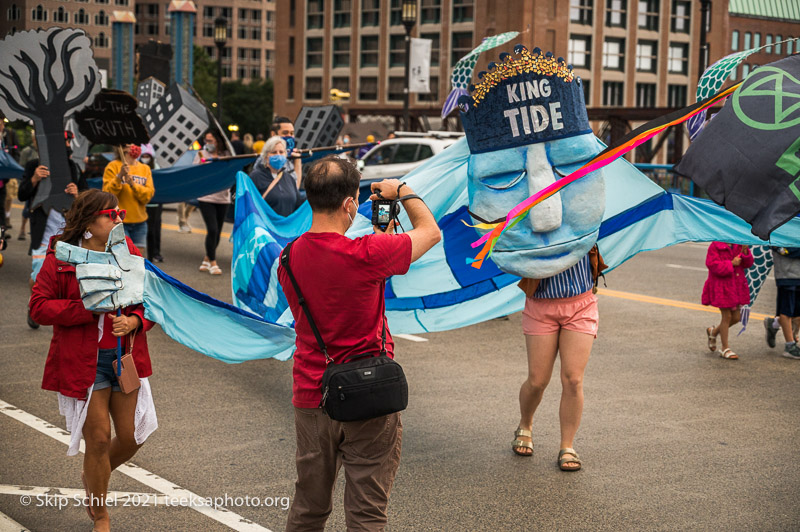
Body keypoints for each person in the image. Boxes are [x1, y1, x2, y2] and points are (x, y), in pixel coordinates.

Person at [277, 158, 440, 530]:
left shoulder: (288, 258)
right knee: (367, 511)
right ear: (351, 204)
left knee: (308, 507)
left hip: (311, 396)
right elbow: (430, 231)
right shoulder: (367, 253)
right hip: (369, 395)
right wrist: (402, 191)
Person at [29, 189, 157, 532]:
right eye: (110, 215)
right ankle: (101, 513)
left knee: (129, 438)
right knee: (99, 440)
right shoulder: (60, 258)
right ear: (87, 223)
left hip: (124, 357)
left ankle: (93, 476)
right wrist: (83, 309)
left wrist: (134, 322)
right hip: (83, 362)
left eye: (119, 214)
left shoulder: (128, 252)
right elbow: (38, 307)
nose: (117, 219)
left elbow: (152, 302)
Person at [511, 252, 600, 471]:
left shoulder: (585, 218)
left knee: (573, 379)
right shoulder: (529, 218)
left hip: (581, 304)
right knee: (537, 380)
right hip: (540, 305)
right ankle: (525, 423)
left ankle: (567, 446)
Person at [18, 130, 87, 329]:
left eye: (67, 141)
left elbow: (86, 197)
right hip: (43, 230)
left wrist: (77, 193)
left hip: (68, 230)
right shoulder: (34, 165)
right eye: (61, 140)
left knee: (67, 275)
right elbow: (22, 195)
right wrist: (34, 179)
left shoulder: (73, 167)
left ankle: (61, 313)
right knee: (38, 275)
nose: (65, 144)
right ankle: (34, 303)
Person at [702, 242, 754, 360]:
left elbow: (748, 263)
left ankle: (713, 332)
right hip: (722, 287)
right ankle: (725, 348)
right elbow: (711, 264)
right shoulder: (715, 246)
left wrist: (745, 252)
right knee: (727, 317)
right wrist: (730, 263)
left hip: (736, 286)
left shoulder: (739, 244)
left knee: (737, 317)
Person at [102, 144, 155, 254]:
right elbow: (107, 195)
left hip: (140, 222)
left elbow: (147, 196)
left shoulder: (145, 168)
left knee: (138, 259)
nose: (135, 146)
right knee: (123, 258)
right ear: (123, 148)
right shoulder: (113, 166)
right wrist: (119, 177)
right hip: (119, 222)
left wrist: (133, 185)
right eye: (131, 144)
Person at [194, 130, 231, 275]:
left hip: (223, 197)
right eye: (206, 141)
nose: (207, 144)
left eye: (211, 141)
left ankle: (207, 258)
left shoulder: (227, 154)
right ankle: (213, 263)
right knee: (213, 229)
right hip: (206, 197)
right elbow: (195, 172)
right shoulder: (201, 154)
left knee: (218, 231)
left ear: (218, 141)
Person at [249, 136, 305, 217]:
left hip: (285, 227)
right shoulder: (255, 177)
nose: (278, 155)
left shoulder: (289, 178)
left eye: (281, 152)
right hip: (265, 227)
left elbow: (298, 203)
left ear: (286, 155)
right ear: (266, 156)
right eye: (274, 152)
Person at [763, 247, 800, 359]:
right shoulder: (776, 232)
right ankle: (789, 346)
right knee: (786, 311)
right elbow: (781, 249)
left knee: (797, 313)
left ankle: (774, 324)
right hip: (786, 276)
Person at [140, 147, 163, 262]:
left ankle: (153, 255)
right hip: (141, 204)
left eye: (147, 156)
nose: (145, 159)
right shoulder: (138, 168)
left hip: (154, 205)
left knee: (153, 231)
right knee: (142, 231)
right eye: (143, 156)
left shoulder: (157, 168)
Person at [269, 116, 303, 189]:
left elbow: (295, 187)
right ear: (273, 134)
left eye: (292, 133)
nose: (289, 136)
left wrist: (297, 160)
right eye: (285, 133)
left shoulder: (290, 158)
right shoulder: (267, 158)